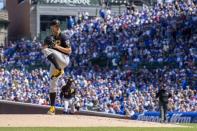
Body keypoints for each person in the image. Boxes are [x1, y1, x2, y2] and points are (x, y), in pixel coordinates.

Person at [42, 19, 72, 115]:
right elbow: (43, 48)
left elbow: (69, 51)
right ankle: (52, 108)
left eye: (53, 27)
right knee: (52, 84)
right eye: (51, 27)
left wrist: (55, 46)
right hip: (56, 62)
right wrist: (46, 44)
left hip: (64, 59)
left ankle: (59, 70)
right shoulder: (51, 37)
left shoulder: (63, 36)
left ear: (57, 27)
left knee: (47, 50)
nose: (52, 29)